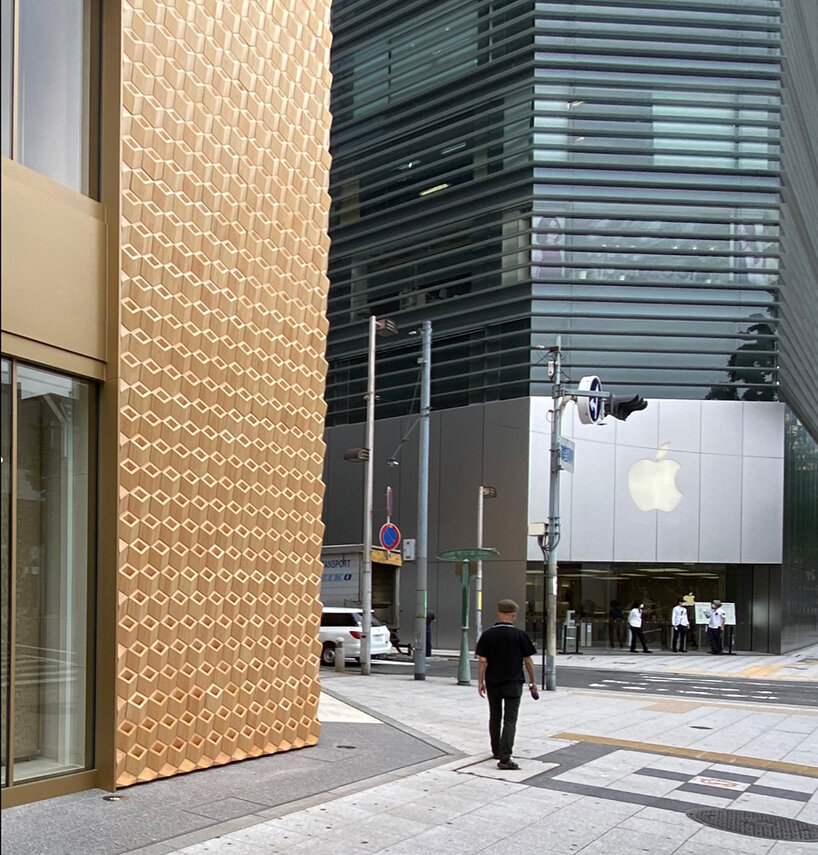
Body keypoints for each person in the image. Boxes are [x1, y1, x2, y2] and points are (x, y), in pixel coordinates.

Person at [476, 599, 537, 771]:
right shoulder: (520, 635)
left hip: (493, 682)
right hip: (514, 682)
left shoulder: (487, 635)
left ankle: (496, 750)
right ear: (514, 615)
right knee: (510, 719)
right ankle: (505, 757)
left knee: (494, 716)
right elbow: (528, 661)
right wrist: (533, 681)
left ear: (498, 613)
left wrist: (480, 682)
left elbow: (482, 660)